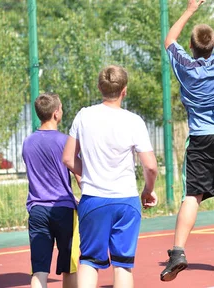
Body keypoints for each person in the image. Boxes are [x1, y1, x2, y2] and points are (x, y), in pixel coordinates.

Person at [160, 0, 214, 284]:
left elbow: (169, 40)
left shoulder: (185, 68)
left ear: (193, 48)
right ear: (213, 46)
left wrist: (189, 10)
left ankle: (179, 253)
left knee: (192, 196)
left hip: (200, 138)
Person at [62, 65, 158, 288]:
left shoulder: (84, 115)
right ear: (124, 90)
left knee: (89, 260)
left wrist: (89, 173)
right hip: (126, 200)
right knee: (123, 264)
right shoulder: (134, 121)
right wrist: (147, 189)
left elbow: (68, 158)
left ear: (99, 88)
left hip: (94, 198)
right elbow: (151, 166)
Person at [22, 92, 78, 288]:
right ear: (56, 113)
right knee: (69, 266)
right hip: (63, 209)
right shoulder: (65, 141)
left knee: (39, 268)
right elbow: (79, 175)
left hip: (37, 209)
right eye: (61, 108)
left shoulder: (27, 142)